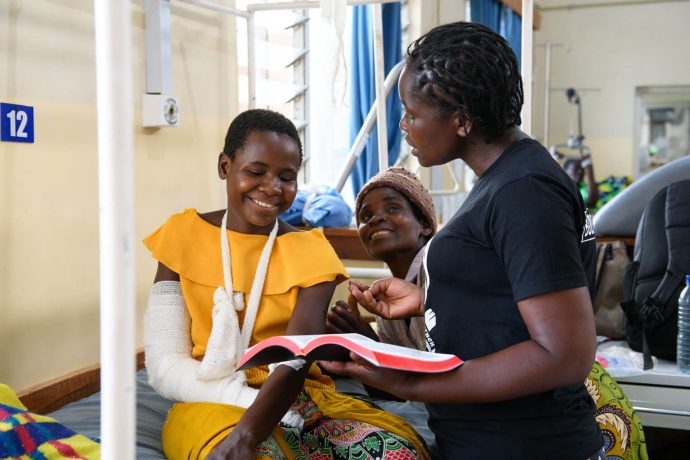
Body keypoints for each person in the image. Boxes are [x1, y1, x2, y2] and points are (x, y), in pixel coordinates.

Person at [320, 22, 607, 459]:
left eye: (412, 113)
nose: (403, 125)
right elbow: (509, 293)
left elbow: (564, 354)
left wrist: (413, 382)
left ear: (461, 119)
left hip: (526, 447)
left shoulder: (523, 190)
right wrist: (427, 298)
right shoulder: (505, 180)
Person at [142, 109, 429, 460]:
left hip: (298, 397)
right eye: (256, 171)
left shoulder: (311, 251)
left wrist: (247, 436)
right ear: (225, 166)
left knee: (398, 454)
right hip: (205, 397)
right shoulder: (180, 236)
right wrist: (240, 420)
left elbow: (294, 360)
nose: (272, 188)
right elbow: (165, 364)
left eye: (287, 177)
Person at [326, 166, 438, 456]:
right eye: (364, 216)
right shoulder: (386, 295)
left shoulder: (439, 266)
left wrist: (368, 342)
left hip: (453, 405)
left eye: (393, 208)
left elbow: (436, 383)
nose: (375, 218)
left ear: (425, 225)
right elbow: (391, 388)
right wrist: (348, 345)